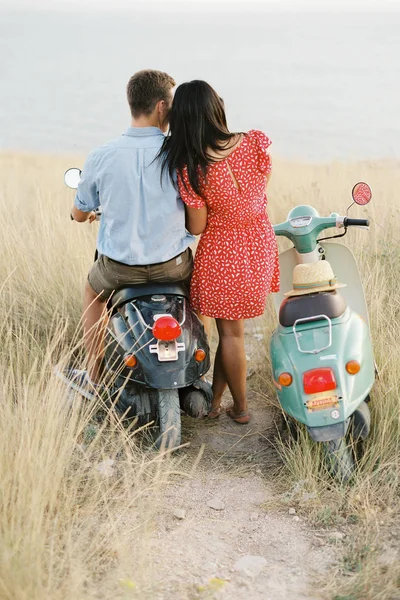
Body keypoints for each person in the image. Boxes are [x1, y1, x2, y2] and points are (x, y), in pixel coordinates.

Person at [62, 70, 195, 398]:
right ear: (162, 107)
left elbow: (78, 213)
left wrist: (85, 213)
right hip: (173, 265)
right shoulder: (179, 154)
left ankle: (94, 376)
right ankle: (195, 369)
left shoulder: (102, 156)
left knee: (92, 292)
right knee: (195, 294)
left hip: (119, 271)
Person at [160, 80, 280, 424]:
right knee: (234, 332)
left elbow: (196, 227)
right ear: (217, 108)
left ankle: (241, 410)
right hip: (258, 243)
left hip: (222, 249)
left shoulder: (191, 168)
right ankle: (215, 402)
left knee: (230, 334)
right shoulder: (254, 142)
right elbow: (259, 192)